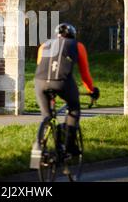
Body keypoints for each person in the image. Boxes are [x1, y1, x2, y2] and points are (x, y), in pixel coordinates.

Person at [34, 23, 99, 156]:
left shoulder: (44, 46)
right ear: (73, 35)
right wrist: (91, 90)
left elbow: (40, 64)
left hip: (40, 82)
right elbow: (84, 73)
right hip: (62, 82)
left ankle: (38, 146)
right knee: (74, 108)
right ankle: (69, 146)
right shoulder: (78, 46)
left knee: (47, 117)